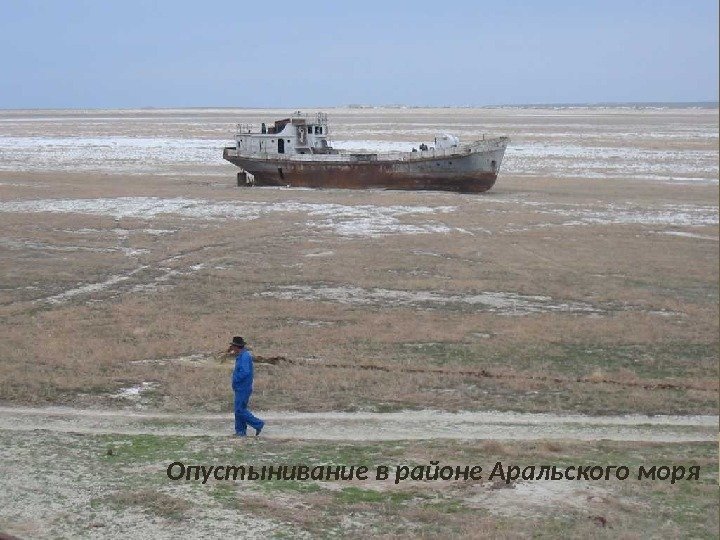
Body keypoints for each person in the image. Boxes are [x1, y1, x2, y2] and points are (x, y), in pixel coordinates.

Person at [227, 336, 264, 437]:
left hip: (243, 387)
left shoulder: (244, 356)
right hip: (240, 387)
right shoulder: (242, 355)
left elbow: (245, 372)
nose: (232, 348)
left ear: (236, 346)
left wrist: (236, 379)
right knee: (239, 409)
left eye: (233, 346)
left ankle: (258, 424)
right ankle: (240, 432)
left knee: (240, 410)